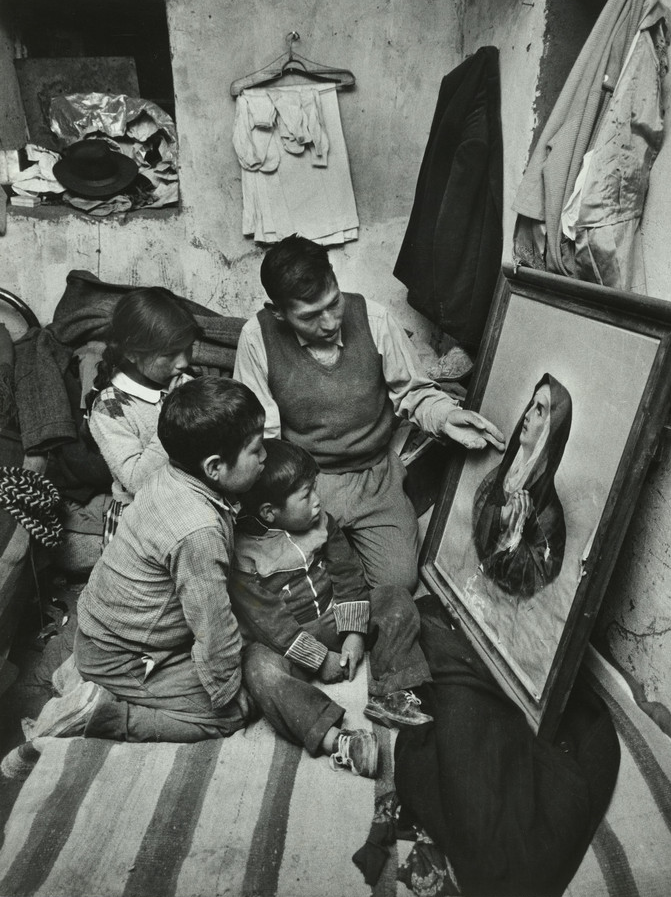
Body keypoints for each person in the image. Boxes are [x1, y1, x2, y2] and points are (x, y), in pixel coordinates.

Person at [1, 378, 267, 770]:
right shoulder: (198, 531)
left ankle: (82, 671)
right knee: (232, 710)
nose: (265, 457)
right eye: (256, 449)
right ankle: (99, 714)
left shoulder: (174, 472)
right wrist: (226, 693)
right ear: (214, 467)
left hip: (111, 632)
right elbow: (212, 624)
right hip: (123, 654)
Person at [233, 234, 504, 592]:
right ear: (279, 313)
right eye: (311, 316)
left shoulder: (375, 319)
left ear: (334, 278)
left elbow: (414, 392)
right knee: (294, 585)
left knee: (398, 583)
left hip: (375, 475)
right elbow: (262, 437)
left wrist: (445, 416)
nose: (329, 323)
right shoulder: (257, 338)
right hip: (306, 482)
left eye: (333, 303)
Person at [230, 439, 434, 779]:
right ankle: (338, 741)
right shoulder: (244, 553)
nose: (317, 500)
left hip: (334, 615)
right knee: (258, 670)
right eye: (306, 494)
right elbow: (268, 622)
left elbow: (347, 572)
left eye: (315, 489)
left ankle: (395, 694)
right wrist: (317, 659)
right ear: (269, 512)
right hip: (286, 644)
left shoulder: (321, 522)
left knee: (396, 598)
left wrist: (354, 631)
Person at [87, 286, 200, 545]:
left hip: (185, 509)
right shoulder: (110, 408)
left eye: (189, 349)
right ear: (132, 352)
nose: (184, 362)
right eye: (170, 354)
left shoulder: (184, 381)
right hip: (138, 526)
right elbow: (137, 481)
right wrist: (176, 415)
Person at [472, 373, 572, 598]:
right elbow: (474, 520)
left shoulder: (551, 515)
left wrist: (513, 538)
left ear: (551, 429)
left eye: (539, 410)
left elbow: (538, 583)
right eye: (531, 404)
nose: (526, 414)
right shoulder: (498, 476)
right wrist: (502, 517)